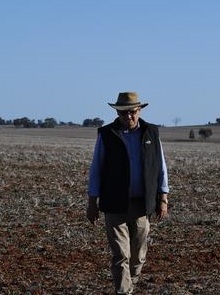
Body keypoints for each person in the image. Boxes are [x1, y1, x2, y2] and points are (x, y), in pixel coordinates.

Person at [86, 92, 169, 294]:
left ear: (139, 111)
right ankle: (124, 291)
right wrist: (92, 201)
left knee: (138, 257)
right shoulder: (107, 134)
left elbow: (161, 167)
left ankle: (128, 285)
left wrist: (163, 198)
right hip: (114, 204)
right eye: (124, 113)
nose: (128, 117)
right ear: (117, 113)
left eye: (132, 112)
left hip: (142, 205)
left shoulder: (151, 133)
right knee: (120, 255)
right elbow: (97, 168)